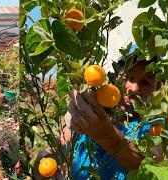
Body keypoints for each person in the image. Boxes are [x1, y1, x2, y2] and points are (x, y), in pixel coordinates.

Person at [65, 50, 162, 179]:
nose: (133, 89)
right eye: (129, 77)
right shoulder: (90, 111)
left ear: (155, 89)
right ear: (115, 75)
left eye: (146, 83)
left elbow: (152, 170)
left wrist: (107, 135)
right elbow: (62, 147)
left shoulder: (151, 129)